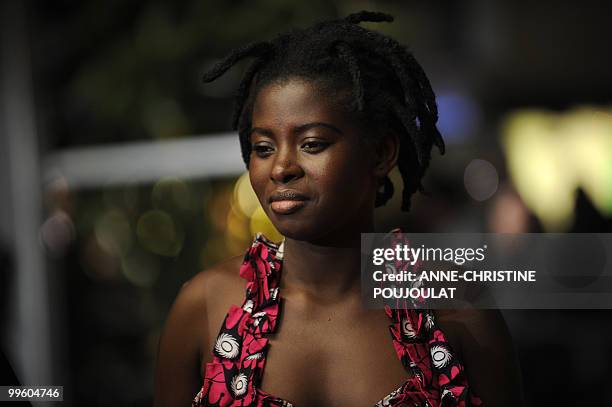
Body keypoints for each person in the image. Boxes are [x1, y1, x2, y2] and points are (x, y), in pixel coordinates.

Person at [154, 11, 523, 407]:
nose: (281, 167)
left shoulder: (456, 308)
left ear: (381, 153)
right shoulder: (205, 305)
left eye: (312, 143)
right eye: (263, 148)